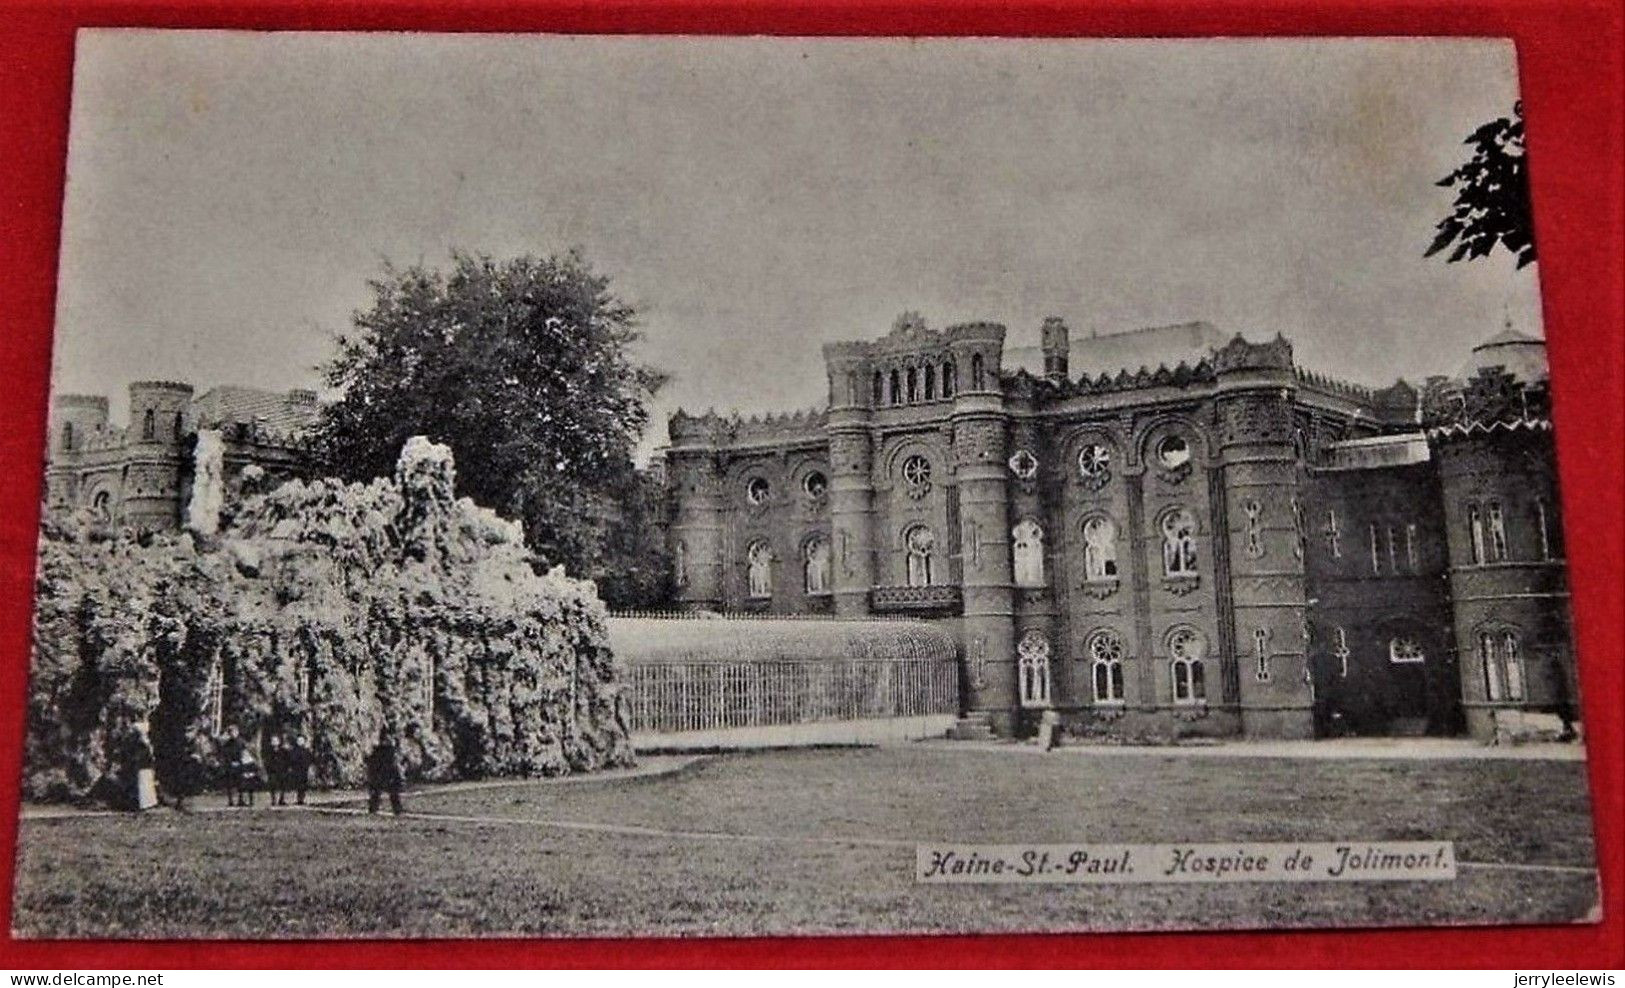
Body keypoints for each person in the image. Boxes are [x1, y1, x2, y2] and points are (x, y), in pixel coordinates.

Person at [365, 733, 403, 816]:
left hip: (383, 754)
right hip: (378, 754)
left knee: (391, 787)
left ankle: (396, 808)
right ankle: (374, 806)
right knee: (377, 786)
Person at [219, 726, 245, 807]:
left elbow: (244, 752)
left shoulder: (241, 742)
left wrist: (241, 761)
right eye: (231, 732)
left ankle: (241, 800)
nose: (233, 734)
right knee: (230, 783)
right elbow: (226, 754)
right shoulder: (227, 744)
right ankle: (231, 801)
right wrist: (230, 762)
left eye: (234, 732)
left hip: (240, 764)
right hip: (230, 765)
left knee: (241, 783)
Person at [285, 734, 313, 806]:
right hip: (296, 769)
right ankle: (299, 799)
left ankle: (301, 799)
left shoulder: (306, 751)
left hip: (304, 770)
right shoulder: (294, 751)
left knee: (303, 785)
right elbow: (291, 760)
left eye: (302, 740)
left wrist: (308, 767)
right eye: (299, 740)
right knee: (298, 784)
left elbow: (310, 759)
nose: (300, 742)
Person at [264, 734, 288, 807]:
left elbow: (286, 760)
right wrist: (268, 768)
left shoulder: (283, 751)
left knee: (283, 785)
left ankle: (282, 799)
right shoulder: (268, 751)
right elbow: (267, 761)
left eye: (276, 741)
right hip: (272, 771)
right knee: (272, 785)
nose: (274, 742)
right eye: (273, 741)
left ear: (279, 742)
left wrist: (285, 768)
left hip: (281, 770)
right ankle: (273, 800)